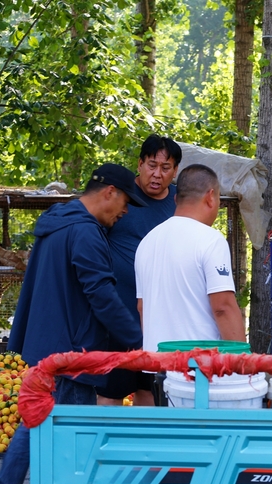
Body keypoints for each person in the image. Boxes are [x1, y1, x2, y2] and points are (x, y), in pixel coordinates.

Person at [0, 163, 147, 484]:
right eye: (125, 203)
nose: (124, 212)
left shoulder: (57, 225)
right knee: (66, 432)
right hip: (73, 354)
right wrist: (137, 342)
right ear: (109, 193)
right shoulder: (86, 232)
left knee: (36, 422)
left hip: (47, 345)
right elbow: (102, 296)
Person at [97, 134, 182, 407]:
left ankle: (144, 448)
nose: (157, 174)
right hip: (118, 313)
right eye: (151, 165)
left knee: (150, 389)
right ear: (140, 164)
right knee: (110, 391)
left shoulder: (181, 203)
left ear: (175, 171)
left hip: (160, 317)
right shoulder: (120, 196)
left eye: (165, 168)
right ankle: (103, 450)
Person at [135, 164, 246, 351]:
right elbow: (223, 307)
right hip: (198, 367)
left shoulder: (147, 242)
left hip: (158, 364)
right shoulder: (211, 240)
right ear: (211, 197)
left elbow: (142, 308)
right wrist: (243, 360)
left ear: (176, 199)